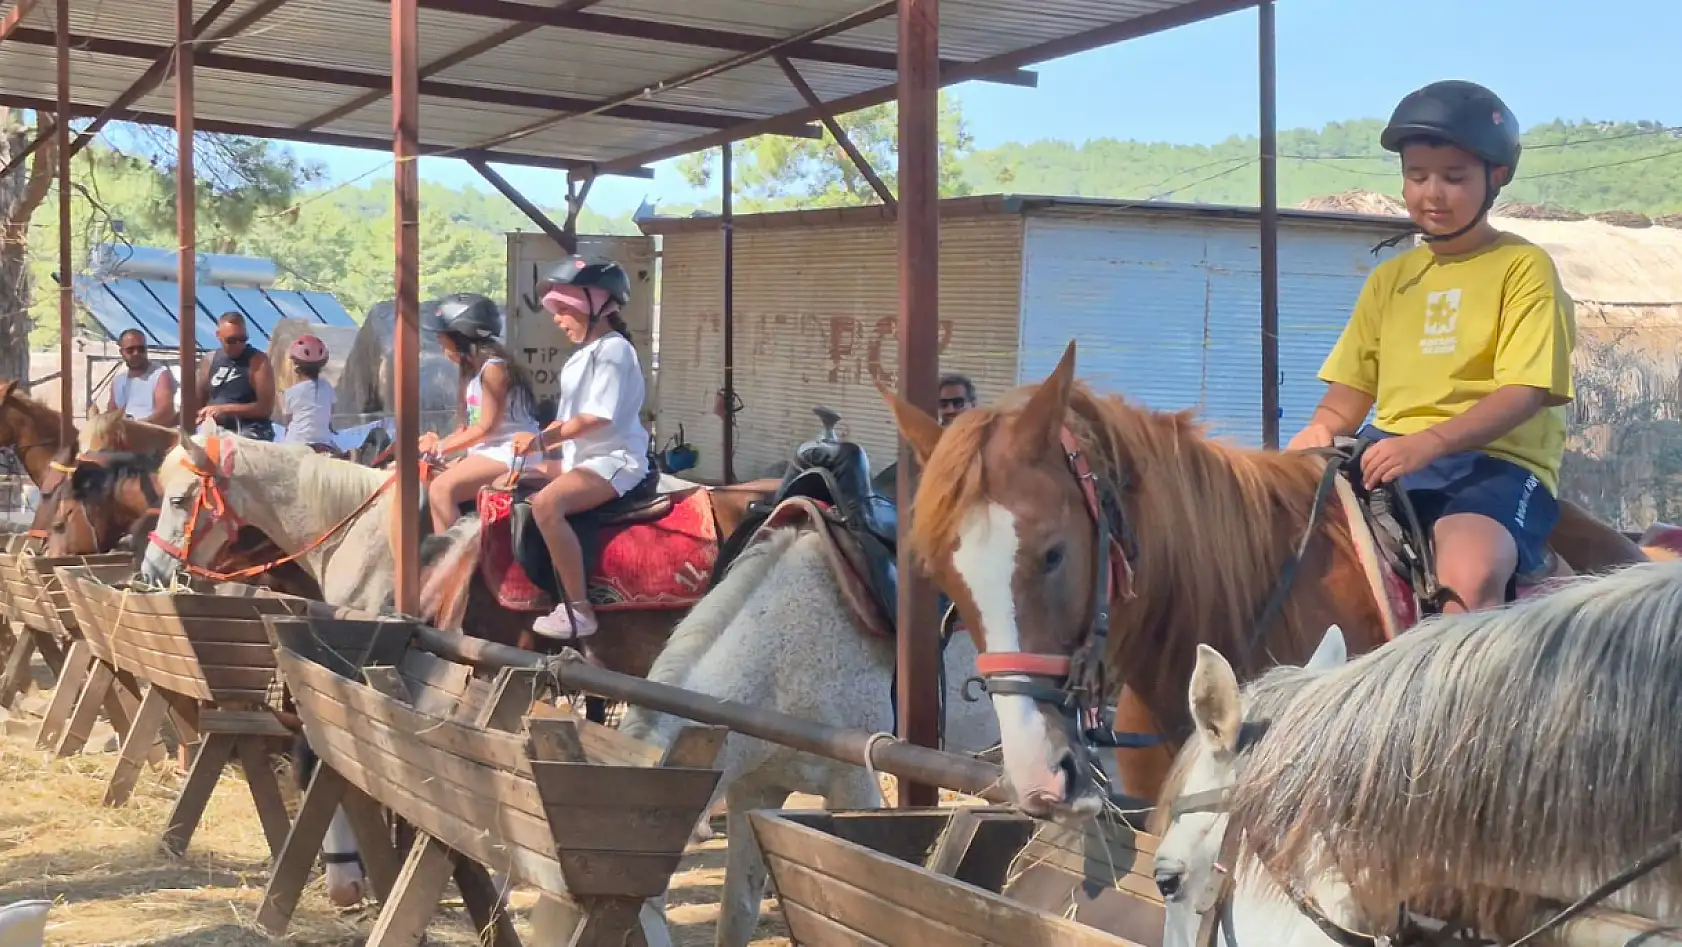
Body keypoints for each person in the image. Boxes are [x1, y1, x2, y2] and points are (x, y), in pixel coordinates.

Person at [1286, 80, 1575, 614]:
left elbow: (1524, 393)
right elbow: (1346, 399)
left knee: (1469, 573)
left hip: (1494, 465)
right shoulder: (1390, 280)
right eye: (1416, 176)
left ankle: (1471, 698)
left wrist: (1430, 442)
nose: (1432, 193)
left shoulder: (1523, 267)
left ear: (1498, 177)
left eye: (1453, 177)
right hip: (1388, 455)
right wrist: (1318, 432)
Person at [511, 256, 651, 640]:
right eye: (556, 310)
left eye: (565, 309)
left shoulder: (614, 350)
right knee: (515, 488)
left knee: (547, 504)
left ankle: (578, 609)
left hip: (615, 461)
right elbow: (566, 419)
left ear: (597, 306)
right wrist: (534, 448)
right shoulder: (578, 360)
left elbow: (597, 418)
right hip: (583, 460)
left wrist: (542, 440)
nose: (558, 318)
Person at [419, 293, 542, 534]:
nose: (439, 340)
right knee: (429, 476)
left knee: (442, 489)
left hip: (509, 452)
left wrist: (440, 448)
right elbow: (465, 428)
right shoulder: (470, 370)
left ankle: (451, 562)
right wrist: (437, 448)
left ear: (461, 334)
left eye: (443, 334)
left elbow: (486, 428)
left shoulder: (494, 369)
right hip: (487, 451)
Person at [198, 312, 276, 441]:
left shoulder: (258, 361)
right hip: (216, 430)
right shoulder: (209, 360)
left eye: (243, 339)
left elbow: (266, 408)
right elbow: (197, 402)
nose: (238, 344)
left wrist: (226, 409)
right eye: (231, 340)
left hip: (252, 430)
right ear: (218, 336)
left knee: (235, 449)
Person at [105, 328, 178, 426]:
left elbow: (165, 413)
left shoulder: (160, 374)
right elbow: (111, 414)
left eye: (141, 349)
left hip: (152, 436)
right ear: (122, 352)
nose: (136, 353)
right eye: (130, 350)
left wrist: (136, 427)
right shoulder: (118, 381)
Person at [279, 334, 336, 452]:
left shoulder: (292, 393)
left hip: (296, 444)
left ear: (296, 366)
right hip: (324, 444)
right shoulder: (328, 388)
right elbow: (329, 418)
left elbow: (287, 424)